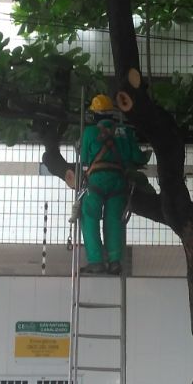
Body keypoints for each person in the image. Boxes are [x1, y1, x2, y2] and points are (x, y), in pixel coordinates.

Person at [79, 93, 148, 275]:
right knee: (114, 220)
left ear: (94, 115)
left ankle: (96, 261)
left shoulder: (89, 132)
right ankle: (115, 261)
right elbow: (137, 157)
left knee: (89, 216)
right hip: (118, 182)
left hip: (96, 181)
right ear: (112, 114)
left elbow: (84, 158)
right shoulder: (125, 132)